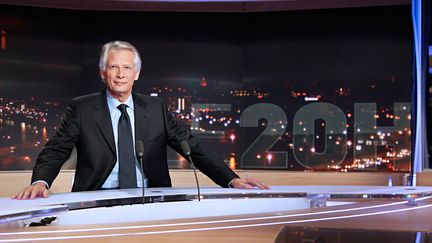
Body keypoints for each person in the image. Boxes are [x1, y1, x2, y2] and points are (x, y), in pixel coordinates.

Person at [14, 40, 269, 200]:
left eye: (127, 68)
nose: (120, 74)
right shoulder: (82, 108)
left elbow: (192, 146)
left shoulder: (155, 107)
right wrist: (40, 181)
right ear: (103, 73)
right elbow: (56, 149)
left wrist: (230, 178)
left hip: (150, 197)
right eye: (114, 67)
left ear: (136, 73)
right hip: (94, 197)